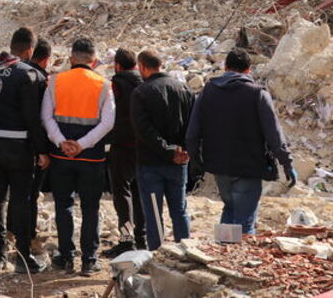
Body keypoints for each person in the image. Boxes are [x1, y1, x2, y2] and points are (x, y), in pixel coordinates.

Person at [185, 48, 296, 235]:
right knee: (245, 220)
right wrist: (286, 163)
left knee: (229, 209)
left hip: (219, 166)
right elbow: (274, 134)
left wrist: (196, 160)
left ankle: (223, 252)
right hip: (248, 167)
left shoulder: (208, 91)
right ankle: (238, 261)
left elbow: (192, 132)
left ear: (225, 67)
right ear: (248, 70)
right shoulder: (258, 95)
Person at [0, 27, 49, 274]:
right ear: (30, 50)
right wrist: (42, 150)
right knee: (20, 199)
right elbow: (33, 118)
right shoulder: (28, 74)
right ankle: (22, 256)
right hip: (18, 146)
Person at [40, 38, 115, 275]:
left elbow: (46, 117)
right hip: (91, 158)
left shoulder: (55, 81)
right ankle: (89, 260)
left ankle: (66, 256)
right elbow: (108, 123)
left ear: (71, 59)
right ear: (93, 61)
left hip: (61, 156)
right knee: (91, 208)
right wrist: (82, 145)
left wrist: (62, 142)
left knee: (63, 205)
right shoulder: (104, 85)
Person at [130, 49, 195, 251]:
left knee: (154, 215)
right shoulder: (184, 89)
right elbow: (194, 126)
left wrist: (169, 150)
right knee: (179, 210)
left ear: (142, 66)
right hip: (179, 162)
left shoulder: (141, 92)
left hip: (151, 164)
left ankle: (157, 257)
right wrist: (184, 150)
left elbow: (144, 131)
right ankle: (186, 254)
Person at [104, 48, 147, 257]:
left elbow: (110, 115)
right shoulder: (145, 83)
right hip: (143, 147)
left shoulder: (117, 84)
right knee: (139, 193)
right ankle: (142, 238)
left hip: (122, 146)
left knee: (122, 194)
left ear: (118, 66)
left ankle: (126, 239)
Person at [28, 38, 52, 252]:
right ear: (46, 59)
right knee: (31, 193)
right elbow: (41, 118)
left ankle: (11, 230)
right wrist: (42, 150)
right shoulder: (41, 80)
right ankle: (29, 236)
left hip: (11, 141)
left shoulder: (18, 73)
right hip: (35, 145)